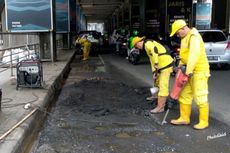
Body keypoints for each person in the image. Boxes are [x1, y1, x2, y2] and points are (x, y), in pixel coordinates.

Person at [169, 19, 210, 130]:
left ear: (183, 28)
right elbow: (184, 55)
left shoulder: (194, 37)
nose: (177, 35)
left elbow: (194, 55)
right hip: (188, 71)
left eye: (178, 32)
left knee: (200, 95)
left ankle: (204, 121)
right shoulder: (184, 38)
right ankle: (184, 118)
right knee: (184, 94)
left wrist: (188, 71)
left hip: (199, 71)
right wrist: (180, 69)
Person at [132, 36, 174, 113]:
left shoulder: (148, 43)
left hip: (165, 65)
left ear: (138, 42)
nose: (137, 48)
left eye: (136, 46)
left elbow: (155, 51)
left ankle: (160, 107)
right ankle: (154, 96)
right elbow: (151, 60)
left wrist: (156, 63)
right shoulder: (146, 46)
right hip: (160, 66)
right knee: (156, 81)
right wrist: (154, 72)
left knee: (163, 85)